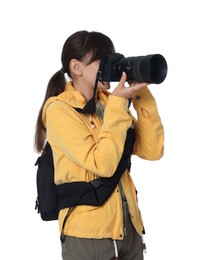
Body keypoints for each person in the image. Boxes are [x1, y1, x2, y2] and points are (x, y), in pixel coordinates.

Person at [34, 30, 164, 260]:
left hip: (129, 229)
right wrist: (118, 104)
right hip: (88, 237)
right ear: (76, 67)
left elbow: (152, 151)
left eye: (112, 58)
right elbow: (102, 164)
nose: (112, 66)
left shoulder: (107, 104)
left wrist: (141, 95)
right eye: (103, 60)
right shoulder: (59, 110)